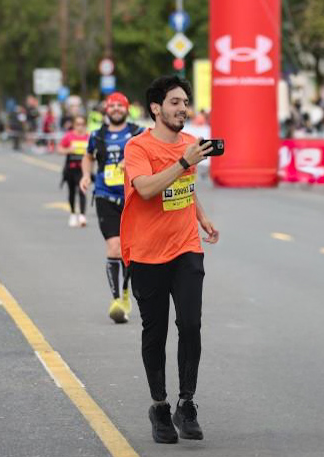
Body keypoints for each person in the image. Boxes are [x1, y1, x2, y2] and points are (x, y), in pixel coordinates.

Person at [120, 75, 219, 444]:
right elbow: (145, 189)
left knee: (190, 325)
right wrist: (182, 161)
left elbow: (185, 188)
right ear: (157, 108)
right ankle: (160, 406)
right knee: (155, 331)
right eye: (175, 102)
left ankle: (186, 403)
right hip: (146, 253)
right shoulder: (137, 148)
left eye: (185, 102)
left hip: (186, 247)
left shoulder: (192, 144)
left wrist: (202, 216)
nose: (183, 109)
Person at [81, 92, 144, 324]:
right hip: (105, 196)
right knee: (114, 247)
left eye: (120, 105)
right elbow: (88, 157)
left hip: (133, 197)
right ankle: (117, 300)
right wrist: (86, 175)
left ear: (127, 109)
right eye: (112, 105)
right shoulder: (97, 136)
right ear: (106, 110)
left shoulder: (138, 133)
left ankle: (127, 293)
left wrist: (133, 161)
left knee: (131, 251)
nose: (116, 108)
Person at [58, 116, 90, 227]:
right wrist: (68, 150)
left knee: (82, 191)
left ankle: (82, 215)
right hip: (71, 168)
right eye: (77, 124)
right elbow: (59, 149)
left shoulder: (88, 137)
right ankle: (72, 213)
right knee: (72, 192)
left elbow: (93, 152)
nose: (80, 127)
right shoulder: (69, 136)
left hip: (82, 169)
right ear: (74, 125)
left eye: (82, 124)